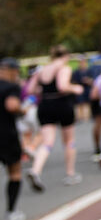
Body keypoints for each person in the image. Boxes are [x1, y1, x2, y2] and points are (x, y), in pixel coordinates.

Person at [27, 45, 85, 190]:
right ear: (65, 56)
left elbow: (30, 89)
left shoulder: (42, 70)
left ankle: (35, 170)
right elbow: (62, 86)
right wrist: (76, 88)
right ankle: (70, 174)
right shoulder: (63, 68)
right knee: (69, 140)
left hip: (45, 105)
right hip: (62, 104)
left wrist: (45, 90)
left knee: (47, 142)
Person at [0, 58, 29, 220]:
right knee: (15, 172)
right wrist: (22, 110)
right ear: (11, 70)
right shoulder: (11, 87)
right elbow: (12, 106)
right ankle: (11, 212)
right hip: (6, 135)